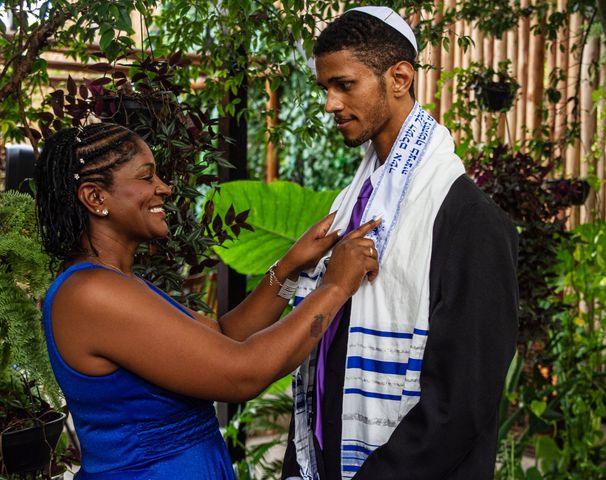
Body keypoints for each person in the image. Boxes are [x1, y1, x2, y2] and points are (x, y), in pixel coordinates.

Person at [34, 122, 380, 480]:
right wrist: (335, 288)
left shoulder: (116, 283)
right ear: (95, 197)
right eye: (146, 177)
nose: (164, 189)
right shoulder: (91, 293)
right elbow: (242, 374)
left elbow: (226, 335)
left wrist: (290, 267)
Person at [282, 6, 519, 480]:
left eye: (344, 85)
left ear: (400, 77)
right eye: (325, 88)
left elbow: (461, 404)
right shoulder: (356, 202)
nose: (329, 103)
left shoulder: (470, 221)